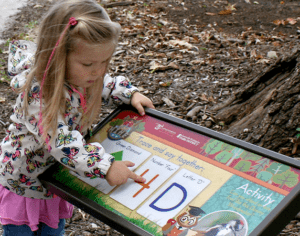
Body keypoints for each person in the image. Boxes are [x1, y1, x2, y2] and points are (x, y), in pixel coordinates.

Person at [0, 0, 155, 235]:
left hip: (53, 178)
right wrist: (105, 166)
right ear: (58, 56)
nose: (98, 70)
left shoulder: (82, 76)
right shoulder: (38, 92)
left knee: (53, 229)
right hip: (24, 182)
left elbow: (106, 82)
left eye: (104, 61)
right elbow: (62, 144)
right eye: (89, 63)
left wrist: (128, 93)